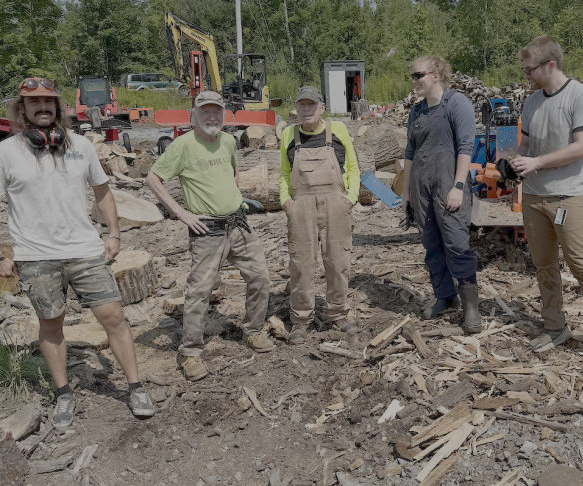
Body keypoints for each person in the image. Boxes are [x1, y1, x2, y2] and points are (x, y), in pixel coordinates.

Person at [0, 78, 154, 428]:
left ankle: (135, 387)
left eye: (48, 102)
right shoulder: (6, 152)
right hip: (35, 257)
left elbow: (102, 191)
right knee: (51, 326)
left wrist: (113, 232)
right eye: (33, 102)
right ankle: (64, 393)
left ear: (58, 107)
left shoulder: (81, 146)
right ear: (21, 109)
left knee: (114, 317)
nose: (42, 107)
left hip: (84, 251)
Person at [512, 37, 583, 365]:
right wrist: (514, 167)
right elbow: (526, 146)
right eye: (523, 71)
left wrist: (537, 163)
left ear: (551, 65)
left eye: (530, 70)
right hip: (533, 196)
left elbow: (582, 147)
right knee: (544, 265)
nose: (526, 76)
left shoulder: (580, 96)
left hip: (568, 197)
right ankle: (554, 326)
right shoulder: (532, 101)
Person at [146, 91, 273, 381]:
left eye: (217, 111)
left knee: (260, 278)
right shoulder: (182, 146)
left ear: (224, 114)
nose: (212, 117)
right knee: (199, 291)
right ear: (194, 115)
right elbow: (152, 179)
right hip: (207, 231)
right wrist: (182, 213)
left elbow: (234, 171)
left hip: (238, 224)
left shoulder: (228, 141)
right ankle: (190, 352)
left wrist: (236, 198)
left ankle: (252, 331)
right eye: (206, 112)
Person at [401, 56, 481, 334]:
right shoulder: (416, 112)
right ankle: (445, 296)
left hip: (449, 184)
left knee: (456, 243)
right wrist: (406, 193)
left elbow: (466, 147)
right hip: (421, 188)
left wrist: (458, 186)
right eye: (412, 76)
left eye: (418, 75)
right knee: (431, 243)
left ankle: (471, 305)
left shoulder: (457, 103)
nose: (414, 81)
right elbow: (410, 153)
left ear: (435, 75)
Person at [279, 86, 360, 344]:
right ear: (297, 109)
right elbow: (283, 174)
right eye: (302, 105)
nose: (307, 109)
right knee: (301, 265)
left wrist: (350, 199)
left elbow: (353, 167)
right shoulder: (288, 135)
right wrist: (286, 202)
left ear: (321, 107)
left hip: (336, 203)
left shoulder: (338, 130)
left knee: (337, 261)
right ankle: (301, 319)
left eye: (311, 105)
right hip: (300, 205)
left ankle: (337, 312)